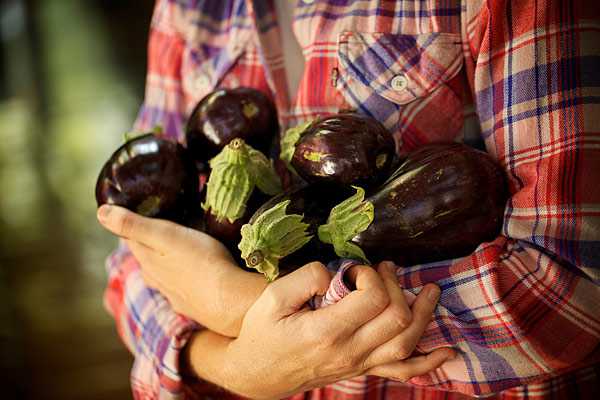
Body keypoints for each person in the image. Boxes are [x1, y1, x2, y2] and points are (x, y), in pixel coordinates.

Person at [97, 0, 600, 399]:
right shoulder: (189, 8)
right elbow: (129, 254)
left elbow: (574, 284)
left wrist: (239, 306)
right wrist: (229, 365)